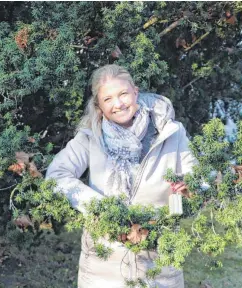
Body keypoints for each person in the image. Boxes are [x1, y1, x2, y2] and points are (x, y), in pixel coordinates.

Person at [46, 64, 197, 287]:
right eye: (107, 99)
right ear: (99, 105)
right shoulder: (90, 137)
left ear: (135, 92)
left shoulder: (171, 132)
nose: (118, 104)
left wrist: (191, 187)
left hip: (159, 257)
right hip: (103, 262)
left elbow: (198, 177)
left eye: (123, 94)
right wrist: (101, 208)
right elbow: (57, 174)